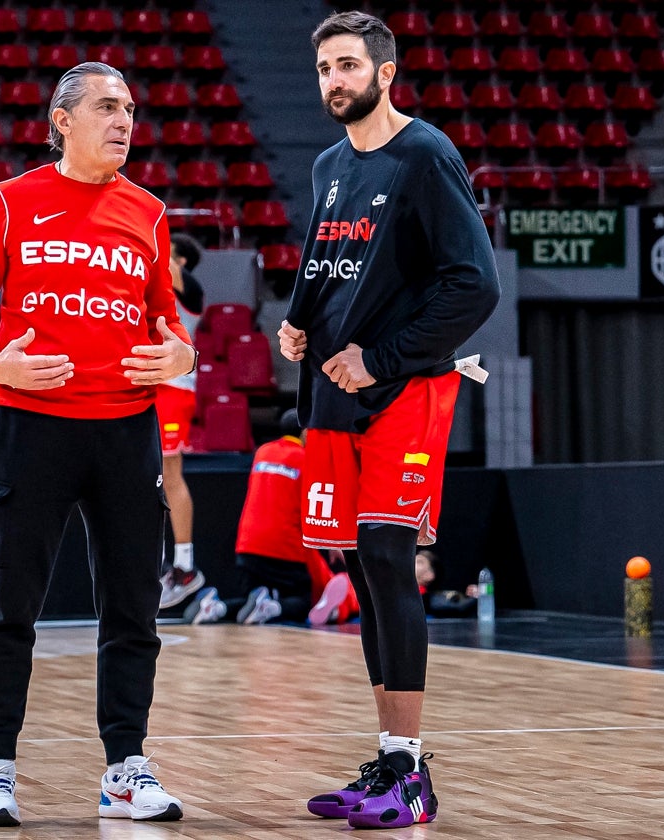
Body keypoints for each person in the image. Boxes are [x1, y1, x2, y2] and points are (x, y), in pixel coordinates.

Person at [0, 62, 196, 828]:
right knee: (9, 608)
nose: (124, 121)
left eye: (130, 110)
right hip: (29, 427)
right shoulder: (11, 203)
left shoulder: (148, 213)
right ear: (63, 120)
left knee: (133, 611)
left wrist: (181, 356)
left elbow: (169, 327)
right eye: (108, 108)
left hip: (125, 431)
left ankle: (125, 770)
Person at [279, 11, 500, 830]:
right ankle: (391, 758)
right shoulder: (331, 164)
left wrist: (382, 355)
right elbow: (324, 258)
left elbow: (473, 286)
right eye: (325, 69)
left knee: (385, 553)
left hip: (404, 388)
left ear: (385, 70)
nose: (335, 80)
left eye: (348, 65)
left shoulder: (425, 155)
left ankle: (410, 776)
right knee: (366, 571)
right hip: (335, 395)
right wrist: (298, 322)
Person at [184, 408, 333, 625]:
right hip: (285, 549)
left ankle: (216, 606)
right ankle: (272, 607)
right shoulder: (306, 458)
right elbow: (313, 506)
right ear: (306, 432)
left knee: (249, 601)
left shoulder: (262, 452)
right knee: (304, 600)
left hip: (247, 546)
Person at [158, 233, 206, 609]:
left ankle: (186, 566)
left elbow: (163, 261)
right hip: (153, 384)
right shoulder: (158, 285)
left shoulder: (189, 287)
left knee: (171, 474)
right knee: (150, 477)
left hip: (174, 388)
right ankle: (162, 563)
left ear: (183, 261)